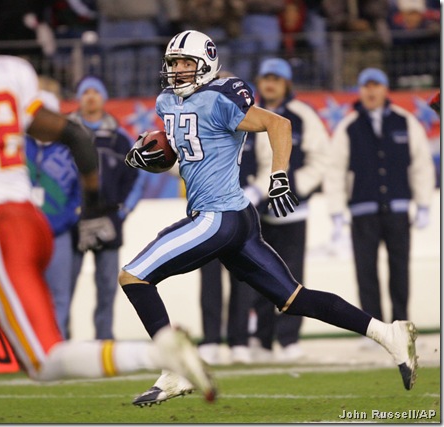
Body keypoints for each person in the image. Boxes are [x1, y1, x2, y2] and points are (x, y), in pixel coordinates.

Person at [0, 9, 215, 422]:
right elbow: (74, 134)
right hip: (27, 223)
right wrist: (92, 205)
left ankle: (160, 353)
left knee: (42, 361)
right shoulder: (4, 72)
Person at [121, 30, 418, 407]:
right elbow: (193, 148)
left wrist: (279, 175)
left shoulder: (220, 97)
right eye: (173, 63)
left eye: (186, 63)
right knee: (293, 297)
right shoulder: (167, 102)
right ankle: (388, 335)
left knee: (134, 274)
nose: (177, 71)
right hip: (236, 218)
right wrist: (155, 155)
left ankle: (174, 369)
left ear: (207, 63)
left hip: (219, 216)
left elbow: (279, 125)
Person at [325, 68, 435, 326]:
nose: (371, 91)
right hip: (363, 212)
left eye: (376, 86)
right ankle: (374, 328)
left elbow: (421, 164)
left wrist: (424, 205)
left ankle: (401, 324)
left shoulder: (405, 121)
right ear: (360, 90)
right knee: (366, 271)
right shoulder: (348, 126)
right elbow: (335, 170)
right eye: (366, 86)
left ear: (385, 89)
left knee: (400, 269)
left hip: (397, 210)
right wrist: (336, 211)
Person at [240, 57, 330, 362]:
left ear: (286, 83)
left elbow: (321, 159)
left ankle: (289, 338)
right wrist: (251, 190)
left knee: (292, 276)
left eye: (276, 79)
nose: (270, 84)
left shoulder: (304, 116)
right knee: (261, 272)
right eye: (265, 78)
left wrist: (296, 187)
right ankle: (262, 339)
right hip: (257, 211)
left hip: (293, 212)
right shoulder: (247, 116)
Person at [68, 75, 140, 340]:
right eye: (85, 91)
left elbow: (138, 176)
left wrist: (123, 211)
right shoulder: (67, 133)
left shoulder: (120, 138)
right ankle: (60, 344)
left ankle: (104, 342)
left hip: (109, 218)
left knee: (108, 286)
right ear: (79, 98)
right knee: (64, 286)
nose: (90, 96)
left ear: (103, 98)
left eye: (95, 91)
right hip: (72, 221)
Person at [25, 87, 81, 337]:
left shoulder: (70, 147)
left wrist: (64, 221)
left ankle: (54, 345)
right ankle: (28, 347)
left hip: (58, 233)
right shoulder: (17, 144)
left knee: (59, 294)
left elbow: (79, 192)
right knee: (25, 291)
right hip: (24, 233)